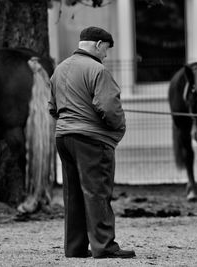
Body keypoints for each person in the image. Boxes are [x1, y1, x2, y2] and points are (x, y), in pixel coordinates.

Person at [48, 26, 135, 259]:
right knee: (97, 192)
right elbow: (108, 108)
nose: (106, 56)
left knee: (73, 193)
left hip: (64, 137)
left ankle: (75, 248)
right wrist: (118, 129)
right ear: (98, 45)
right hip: (92, 140)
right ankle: (104, 247)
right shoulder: (97, 70)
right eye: (106, 50)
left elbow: (52, 107)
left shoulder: (60, 69)